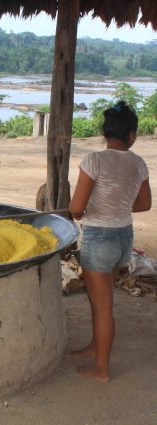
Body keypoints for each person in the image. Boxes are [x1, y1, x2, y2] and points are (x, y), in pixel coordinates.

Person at [68, 100, 152, 382]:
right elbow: (144, 205)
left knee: (102, 306)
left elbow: (76, 209)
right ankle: (95, 347)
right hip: (123, 238)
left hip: (99, 238)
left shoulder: (94, 160)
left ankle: (101, 369)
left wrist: (91, 209)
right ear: (132, 135)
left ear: (105, 133)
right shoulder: (138, 163)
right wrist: (116, 205)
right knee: (99, 300)